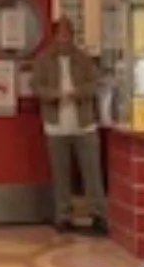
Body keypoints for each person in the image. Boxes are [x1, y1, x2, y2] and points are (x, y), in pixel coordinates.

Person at [32, 17, 108, 234]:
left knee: (92, 172)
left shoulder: (83, 59)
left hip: (84, 124)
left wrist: (77, 93)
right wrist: (53, 95)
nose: (65, 39)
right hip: (56, 125)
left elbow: (94, 84)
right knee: (60, 173)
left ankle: (98, 215)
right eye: (61, 35)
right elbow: (37, 86)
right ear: (54, 36)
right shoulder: (43, 60)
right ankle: (63, 216)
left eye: (68, 35)